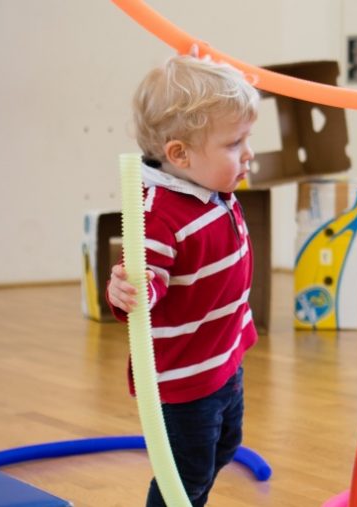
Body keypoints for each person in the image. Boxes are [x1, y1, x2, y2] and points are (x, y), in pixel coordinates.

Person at [106, 50, 260, 506]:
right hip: (186, 378)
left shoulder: (213, 188)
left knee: (225, 446)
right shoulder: (157, 218)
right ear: (180, 154)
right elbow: (142, 284)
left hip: (225, 356)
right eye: (235, 145)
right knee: (184, 477)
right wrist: (128, 288)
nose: (248, 154)